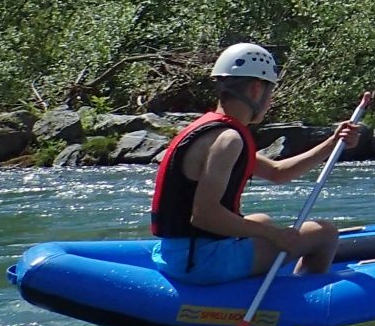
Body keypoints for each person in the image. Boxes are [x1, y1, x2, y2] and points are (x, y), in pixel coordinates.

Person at [148, 42, 361, 285]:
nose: (269, 102)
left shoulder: (209, 128)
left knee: (262, 220)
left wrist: (332, 143)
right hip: (200, 262)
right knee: (325, 233)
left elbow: (277, 172)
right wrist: (275, 236)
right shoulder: (229, 140)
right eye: (270, 93)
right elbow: (205, 217)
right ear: (256, 90)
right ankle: (297, 297)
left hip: (176, 254)